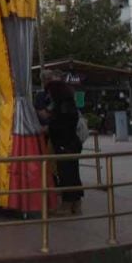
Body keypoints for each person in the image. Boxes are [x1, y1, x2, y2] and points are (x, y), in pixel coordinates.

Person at [45, 79, 84, 215]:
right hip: (71, 142)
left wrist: (49, 126)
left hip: (64, 143)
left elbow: (60, 125)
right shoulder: (69, 103)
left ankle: (67, 205)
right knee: (73, 174)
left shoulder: (62, 106)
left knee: (66, 174)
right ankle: (76, 204)